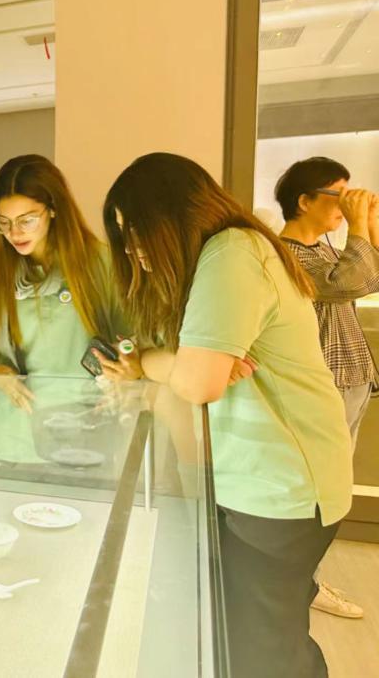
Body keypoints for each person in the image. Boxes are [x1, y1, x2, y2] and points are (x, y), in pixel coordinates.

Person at [105, 152, 353, 677]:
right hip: (264, 481)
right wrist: (178, 363)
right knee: (264, 634)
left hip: (283, 485)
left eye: (139, 229)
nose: (132, 248)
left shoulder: (234, 251)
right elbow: (195, 373)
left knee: (263, 649)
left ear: (174, 214)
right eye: (123, 236)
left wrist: (150, 362)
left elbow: (198, 382)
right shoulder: (225, 256)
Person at [276, 156, 379, 619]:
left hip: (352, 380)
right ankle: (300, 583)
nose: (345, 205)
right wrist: (357, 225)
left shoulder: (323, 249)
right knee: (317, 493)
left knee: (332, 490)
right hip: (326, 387)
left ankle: (305, 579)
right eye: (338, 196)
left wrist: (368, 222)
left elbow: (372, 276)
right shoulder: (287, 255)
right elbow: (351, 283)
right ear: (304, 201)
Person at [0, 154, 140, 407]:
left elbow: (132, 341)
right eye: (3, 222)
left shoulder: (101, 263)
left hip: (89, 413)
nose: (14, 233)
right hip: (16, 418)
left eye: (27, 221)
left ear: (54, 209)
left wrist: (128, 369)